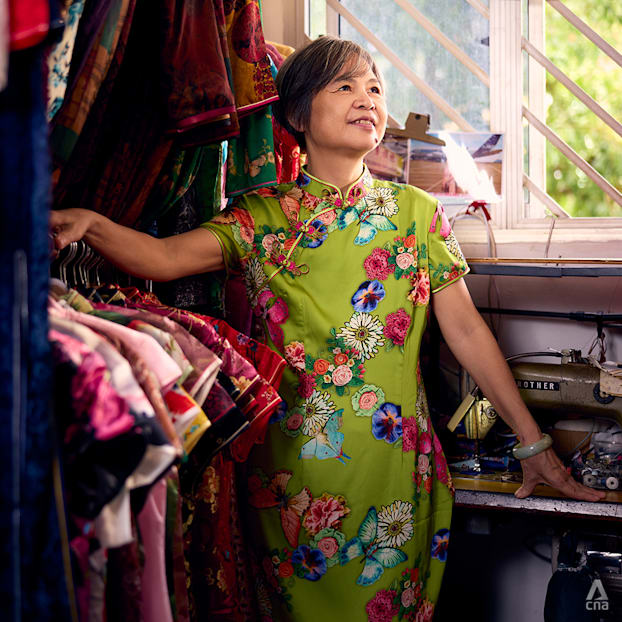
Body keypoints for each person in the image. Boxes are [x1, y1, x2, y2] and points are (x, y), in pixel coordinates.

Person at [49, 36, 604, 621]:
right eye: (345, 86)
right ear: (297, 114)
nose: (367, 98)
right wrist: (91, 224)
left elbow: (467, 334)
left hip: (393, 474)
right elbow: (161, 260)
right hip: (289, 483)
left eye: (374, 87)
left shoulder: (415, 213)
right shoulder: (257, 217)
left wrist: (533, 443)